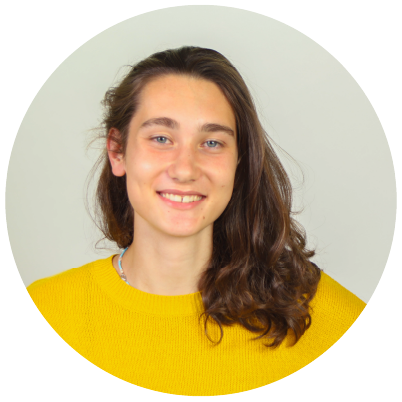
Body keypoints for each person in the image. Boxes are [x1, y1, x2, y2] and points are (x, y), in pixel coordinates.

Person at [27, 46, 366, 396]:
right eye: (161, 138)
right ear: (117, 151)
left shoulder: (326, 320)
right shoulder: (41, 313)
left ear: (239, 161)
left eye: (212, 143)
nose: (185, 169)